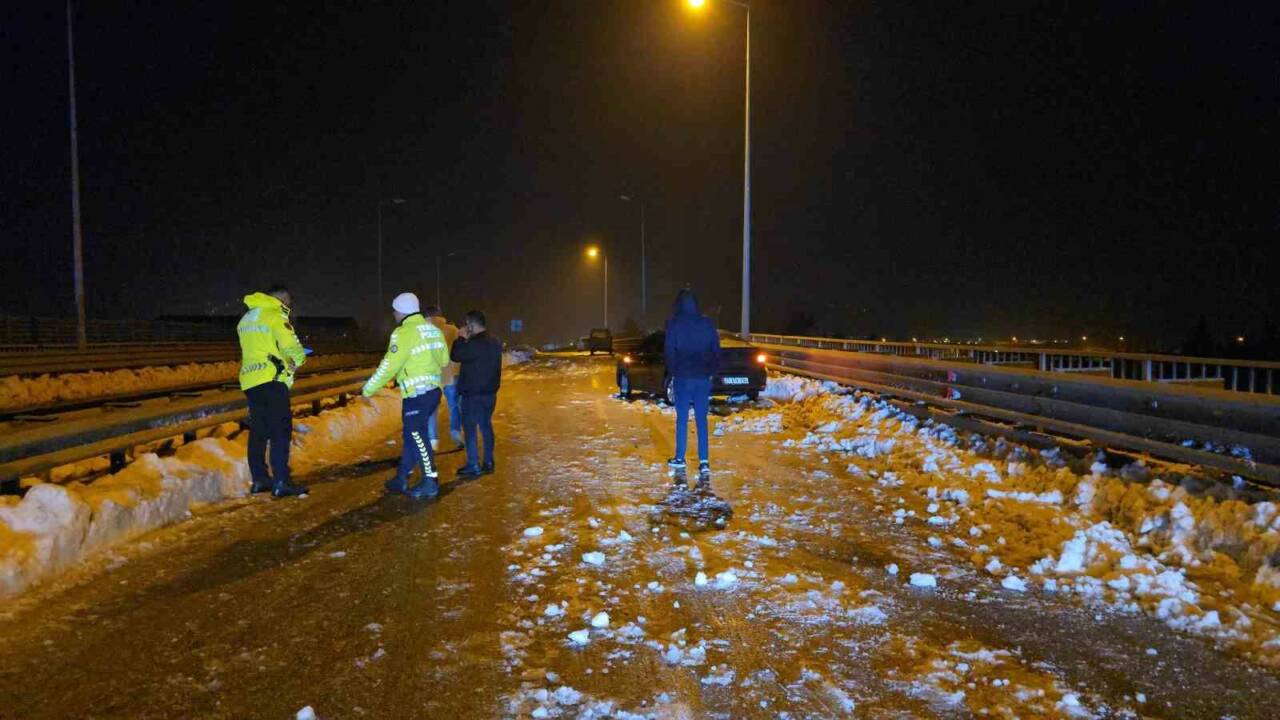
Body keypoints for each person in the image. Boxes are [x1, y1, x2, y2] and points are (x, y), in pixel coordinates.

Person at [361, 292, 451, 499]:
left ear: (401, 310)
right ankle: (401, 478)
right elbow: (445, 360)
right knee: (411, 436)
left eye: (394, 310)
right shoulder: (433, 330)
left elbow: (388, 366)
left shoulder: (403, 333)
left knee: (418, 436)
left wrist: (368, 389)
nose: (393, 314)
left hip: (417, 395)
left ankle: (430, 481)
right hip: (432, 391)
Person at [236, 284, 309, 497]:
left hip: (251, 381)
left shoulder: (246, 319)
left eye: (288, 302)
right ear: (274, 299)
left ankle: (260, 479)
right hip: (272, 378)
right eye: (284, 300)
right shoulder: (275, 315)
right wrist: (299, 359)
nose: (287, 305)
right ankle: (281, 481)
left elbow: (260, 347)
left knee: (259, 431)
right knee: (280, 431)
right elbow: (291, 344)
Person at [663, 288, 721, 477]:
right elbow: (715, 350)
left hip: (682, 379)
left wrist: (674, 372)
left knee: (682, 419)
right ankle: (704, 461)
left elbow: (670, 352)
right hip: (702, 379)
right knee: (701, 419)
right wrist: (711, 372)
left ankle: (680, 458)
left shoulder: (674, 324)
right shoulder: (707, 324)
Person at [450, 310, 503, 477]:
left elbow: (455, 355)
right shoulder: (495, 342)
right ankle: (488, 462)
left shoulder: (472, 344)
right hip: (489, 394)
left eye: (467, 324)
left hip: (472, 395)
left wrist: (460, 338)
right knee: (486, 426)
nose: (466, 327)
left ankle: (473, 465)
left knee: (470, 429)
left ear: (472, 325)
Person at [424, 305, 462, 451]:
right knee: (454, 406)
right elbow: (461, 349)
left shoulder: (420, 331)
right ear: (440, 315)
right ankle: (456, 434)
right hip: (450, 374)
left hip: (430, 377)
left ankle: (433, 440)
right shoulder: (452, 330)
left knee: (431, 409)